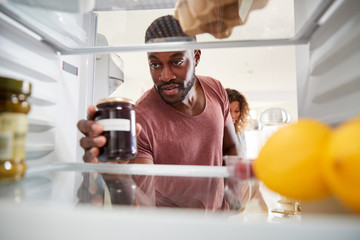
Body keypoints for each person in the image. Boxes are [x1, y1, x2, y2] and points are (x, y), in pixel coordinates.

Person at [76, 15, 243, 211]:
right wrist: (116, 176)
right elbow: (142, 207)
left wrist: (233, 200)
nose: (165, 76)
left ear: (196, 56)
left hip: (219, 221)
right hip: (171, 229)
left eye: (177, 62)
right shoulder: (141, 119)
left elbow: (231, 147)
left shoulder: (215, 88)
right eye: (155, 64)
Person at [226, 88, 250, 159]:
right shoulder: (217, 132)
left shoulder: (240, 132)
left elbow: (243, 154)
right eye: (229, 111)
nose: (233, 115)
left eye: (236, 111)